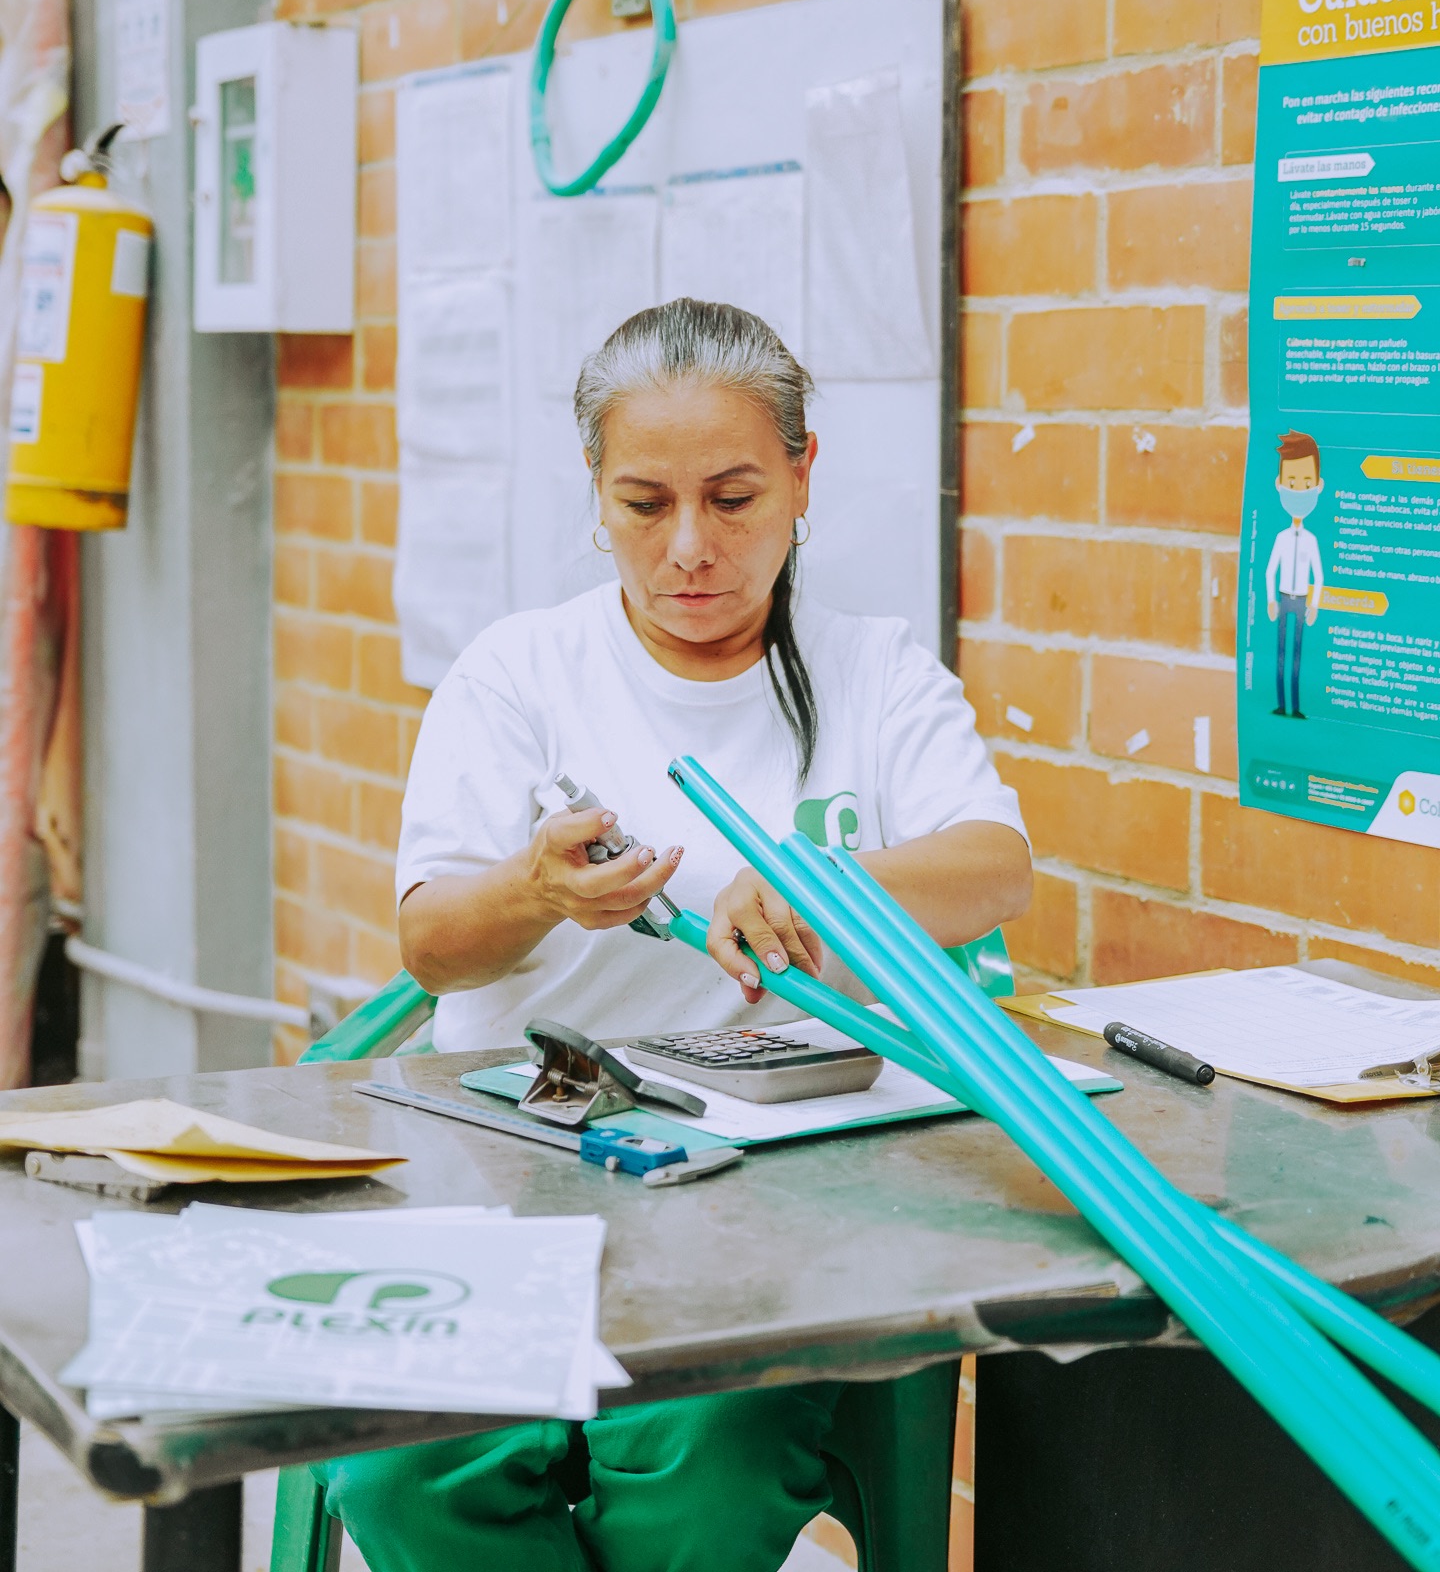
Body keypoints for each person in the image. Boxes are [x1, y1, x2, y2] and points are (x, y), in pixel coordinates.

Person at [315, 299, 1032, 1572]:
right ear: (594, 493)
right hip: (523, 1170)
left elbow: (997, 866)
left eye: (735, 497)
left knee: (706, 1466)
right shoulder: (518, 675)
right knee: (409, 1472)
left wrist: (826, 889)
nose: (690, 548)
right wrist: (536, 890)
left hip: (778, 1197)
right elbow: (433, 946)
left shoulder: (874, 672)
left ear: (804, 477)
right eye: (645, 503)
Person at [1265, 429, 1325, 719]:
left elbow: (1319, 576)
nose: (1299, 490)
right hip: (1283, 598)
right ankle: (1280, 704)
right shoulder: (1281, 538)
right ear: (1279, 484)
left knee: (1297, 657)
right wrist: (1270, 600)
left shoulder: (1312, 540)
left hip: (1301, 601)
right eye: (1292, 483)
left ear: (1318, 486)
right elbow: (1269, 570)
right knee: (1279, 656)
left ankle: (1297, 707)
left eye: (1305, 483)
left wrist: (1314, 606)